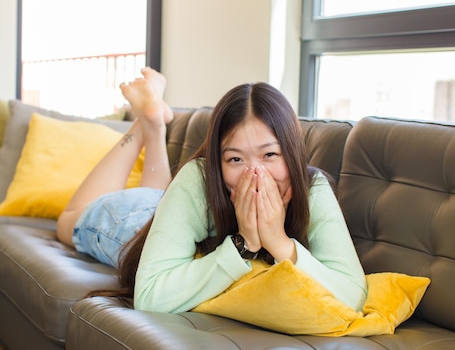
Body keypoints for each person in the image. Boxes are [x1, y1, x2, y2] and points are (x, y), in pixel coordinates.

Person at [57, 68, 368, 314]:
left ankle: (152, 124)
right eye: (235, 159)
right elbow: (151, 296)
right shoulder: (197, 179)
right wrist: (244, 242)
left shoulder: (313, 188)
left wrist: (279, 243)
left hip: (170, 211)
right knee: (67, 222)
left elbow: (353, 295)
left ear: (292, 153)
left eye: (269, 155)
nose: (254, 174)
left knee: (162, 197)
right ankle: (144, 124)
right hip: (134, 221)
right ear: (217, 163)